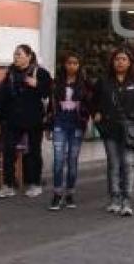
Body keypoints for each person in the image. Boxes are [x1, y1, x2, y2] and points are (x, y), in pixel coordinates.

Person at [91, 47, 134, 217]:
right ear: (112, 62)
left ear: (130, 62)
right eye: (117, 59)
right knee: (113, 164)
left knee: (128, 163)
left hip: (131, 129)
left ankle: (127, 200)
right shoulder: (104, 81)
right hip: (109, 128)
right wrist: (96, 112)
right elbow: (93, 101)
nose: (120, 62)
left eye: (123, 59)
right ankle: (114, 199)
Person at [0, 44, 52, 199]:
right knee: (9, 151)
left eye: (19, 54)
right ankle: (8, 185)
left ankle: (34, 184)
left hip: (33, 119)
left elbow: (49, 93)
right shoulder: (10, 73)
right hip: (12, 119)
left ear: (29, 56)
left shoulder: (41, 72)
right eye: (15, 54)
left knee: (33, 152)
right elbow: (3, 96)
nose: (16, 57)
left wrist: (37, 84)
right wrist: (0, 116)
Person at [46, 52, 90, 210]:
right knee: (58, 160)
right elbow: (50, 106)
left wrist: (87, 119)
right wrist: (48, 126)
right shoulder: (56, 83)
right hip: (59, 123)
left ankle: (70, 194)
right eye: (69, 63)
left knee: (72, 161)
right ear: (64, 64)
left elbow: (89, 104)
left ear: (79, 66)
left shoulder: (84, 83)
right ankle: (57, 194)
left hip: (77, 124)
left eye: (75, 63)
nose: (72, 66)